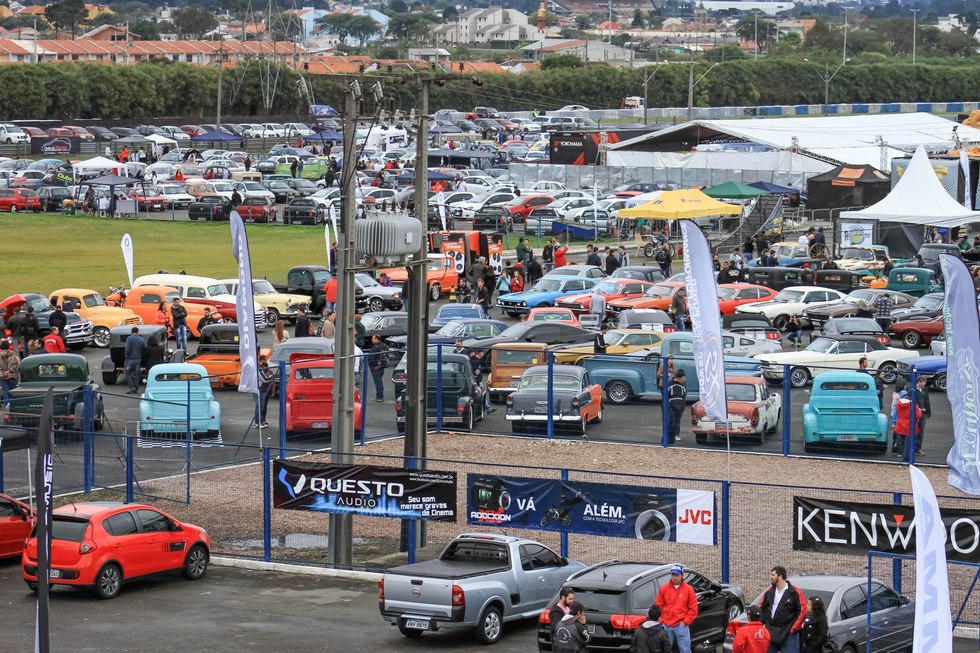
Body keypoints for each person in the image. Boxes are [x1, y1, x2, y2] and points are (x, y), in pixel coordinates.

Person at [760, 566, 804, 653]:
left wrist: (793, 628)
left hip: (788, 633)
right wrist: (764, 624)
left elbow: (802, 611)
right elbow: (761, 608)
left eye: (773, 575)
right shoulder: (769, 591)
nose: (770, 577)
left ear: (780, 576)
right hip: (770, 631)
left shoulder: (795, 592)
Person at [655, 563, 698, 652]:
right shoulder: (663, 589)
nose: (674, 577)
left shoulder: (689, 590)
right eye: (673, 575)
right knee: (665, 649)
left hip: (681, 625)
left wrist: (685, 622)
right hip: (666, 625)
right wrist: (662, 619)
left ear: (682, 575)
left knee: (685, 650)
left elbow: (693, 609)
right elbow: (659, 606)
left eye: (677, 575)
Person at [892, 389, 921, 460]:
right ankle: (907, 457)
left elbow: (897, 411)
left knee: (900, 441)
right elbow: (918, 415)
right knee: (909, 443)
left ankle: (899, 453)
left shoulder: (899, 403)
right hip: (909, 426)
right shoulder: (913, 404)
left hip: (900, 425)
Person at [667, 370, 687, 445]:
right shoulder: (669, 383)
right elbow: (667, 395)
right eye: (682, 379)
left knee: (678, 420)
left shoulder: (683, 384)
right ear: (678, 378)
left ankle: (676, 434)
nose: (684, 380)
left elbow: (684, 394)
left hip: (680, 406)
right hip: (672, 406)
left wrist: (683, 404)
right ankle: (670, 436)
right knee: (672, 421)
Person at [124, 326, 145, 395]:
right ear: (138, 332)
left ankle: (132, 387)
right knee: (137, 373)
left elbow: (127, 349)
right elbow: (143, 349)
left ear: (131, 332)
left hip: (130, 359)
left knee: (127, 372)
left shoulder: (129, 339)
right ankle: (136, 387)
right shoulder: (141, 339)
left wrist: (126, 356)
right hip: (139, 359)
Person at [255, 355, 275, 428]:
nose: (266, 361)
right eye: (265, 360)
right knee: (260, 406)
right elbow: (265, 379)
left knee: (261, 406)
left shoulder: (263, 367)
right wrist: (272, 376)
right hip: (261, 389)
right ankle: (257, 422)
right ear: (262, 360)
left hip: (264, 389)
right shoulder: (259, 368)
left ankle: (259, 421)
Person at [913, 375, 930, 456]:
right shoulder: (913, 390)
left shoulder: (925, 390)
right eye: (923, 382)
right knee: (914, 431)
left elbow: (927, 401)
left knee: (921, 431)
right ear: (919, 382)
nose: (925, 383)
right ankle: (913, 448)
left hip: (923, 413)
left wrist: (929, 413)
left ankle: (918, 448)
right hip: (915, 414)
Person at [368, 334, 388, 402]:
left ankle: (379, 397)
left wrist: (371, 365)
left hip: (375, 367)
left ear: (377, 339)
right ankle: (380, 396)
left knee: (378, 382)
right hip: (382, 367)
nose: (372, 340)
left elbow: (371, 358)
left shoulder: (375, 348)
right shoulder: (384, 346)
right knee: (379, 381)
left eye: (373, 338)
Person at [0, 340, 20, 406]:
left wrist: (3, 372)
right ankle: (15, 406)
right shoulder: (13, 354)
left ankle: (7, 405)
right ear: (8, 346)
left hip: (3, 376)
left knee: (5, 391)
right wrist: (9, 371)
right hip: (13, 376)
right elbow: (17, 364)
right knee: (14, 392)